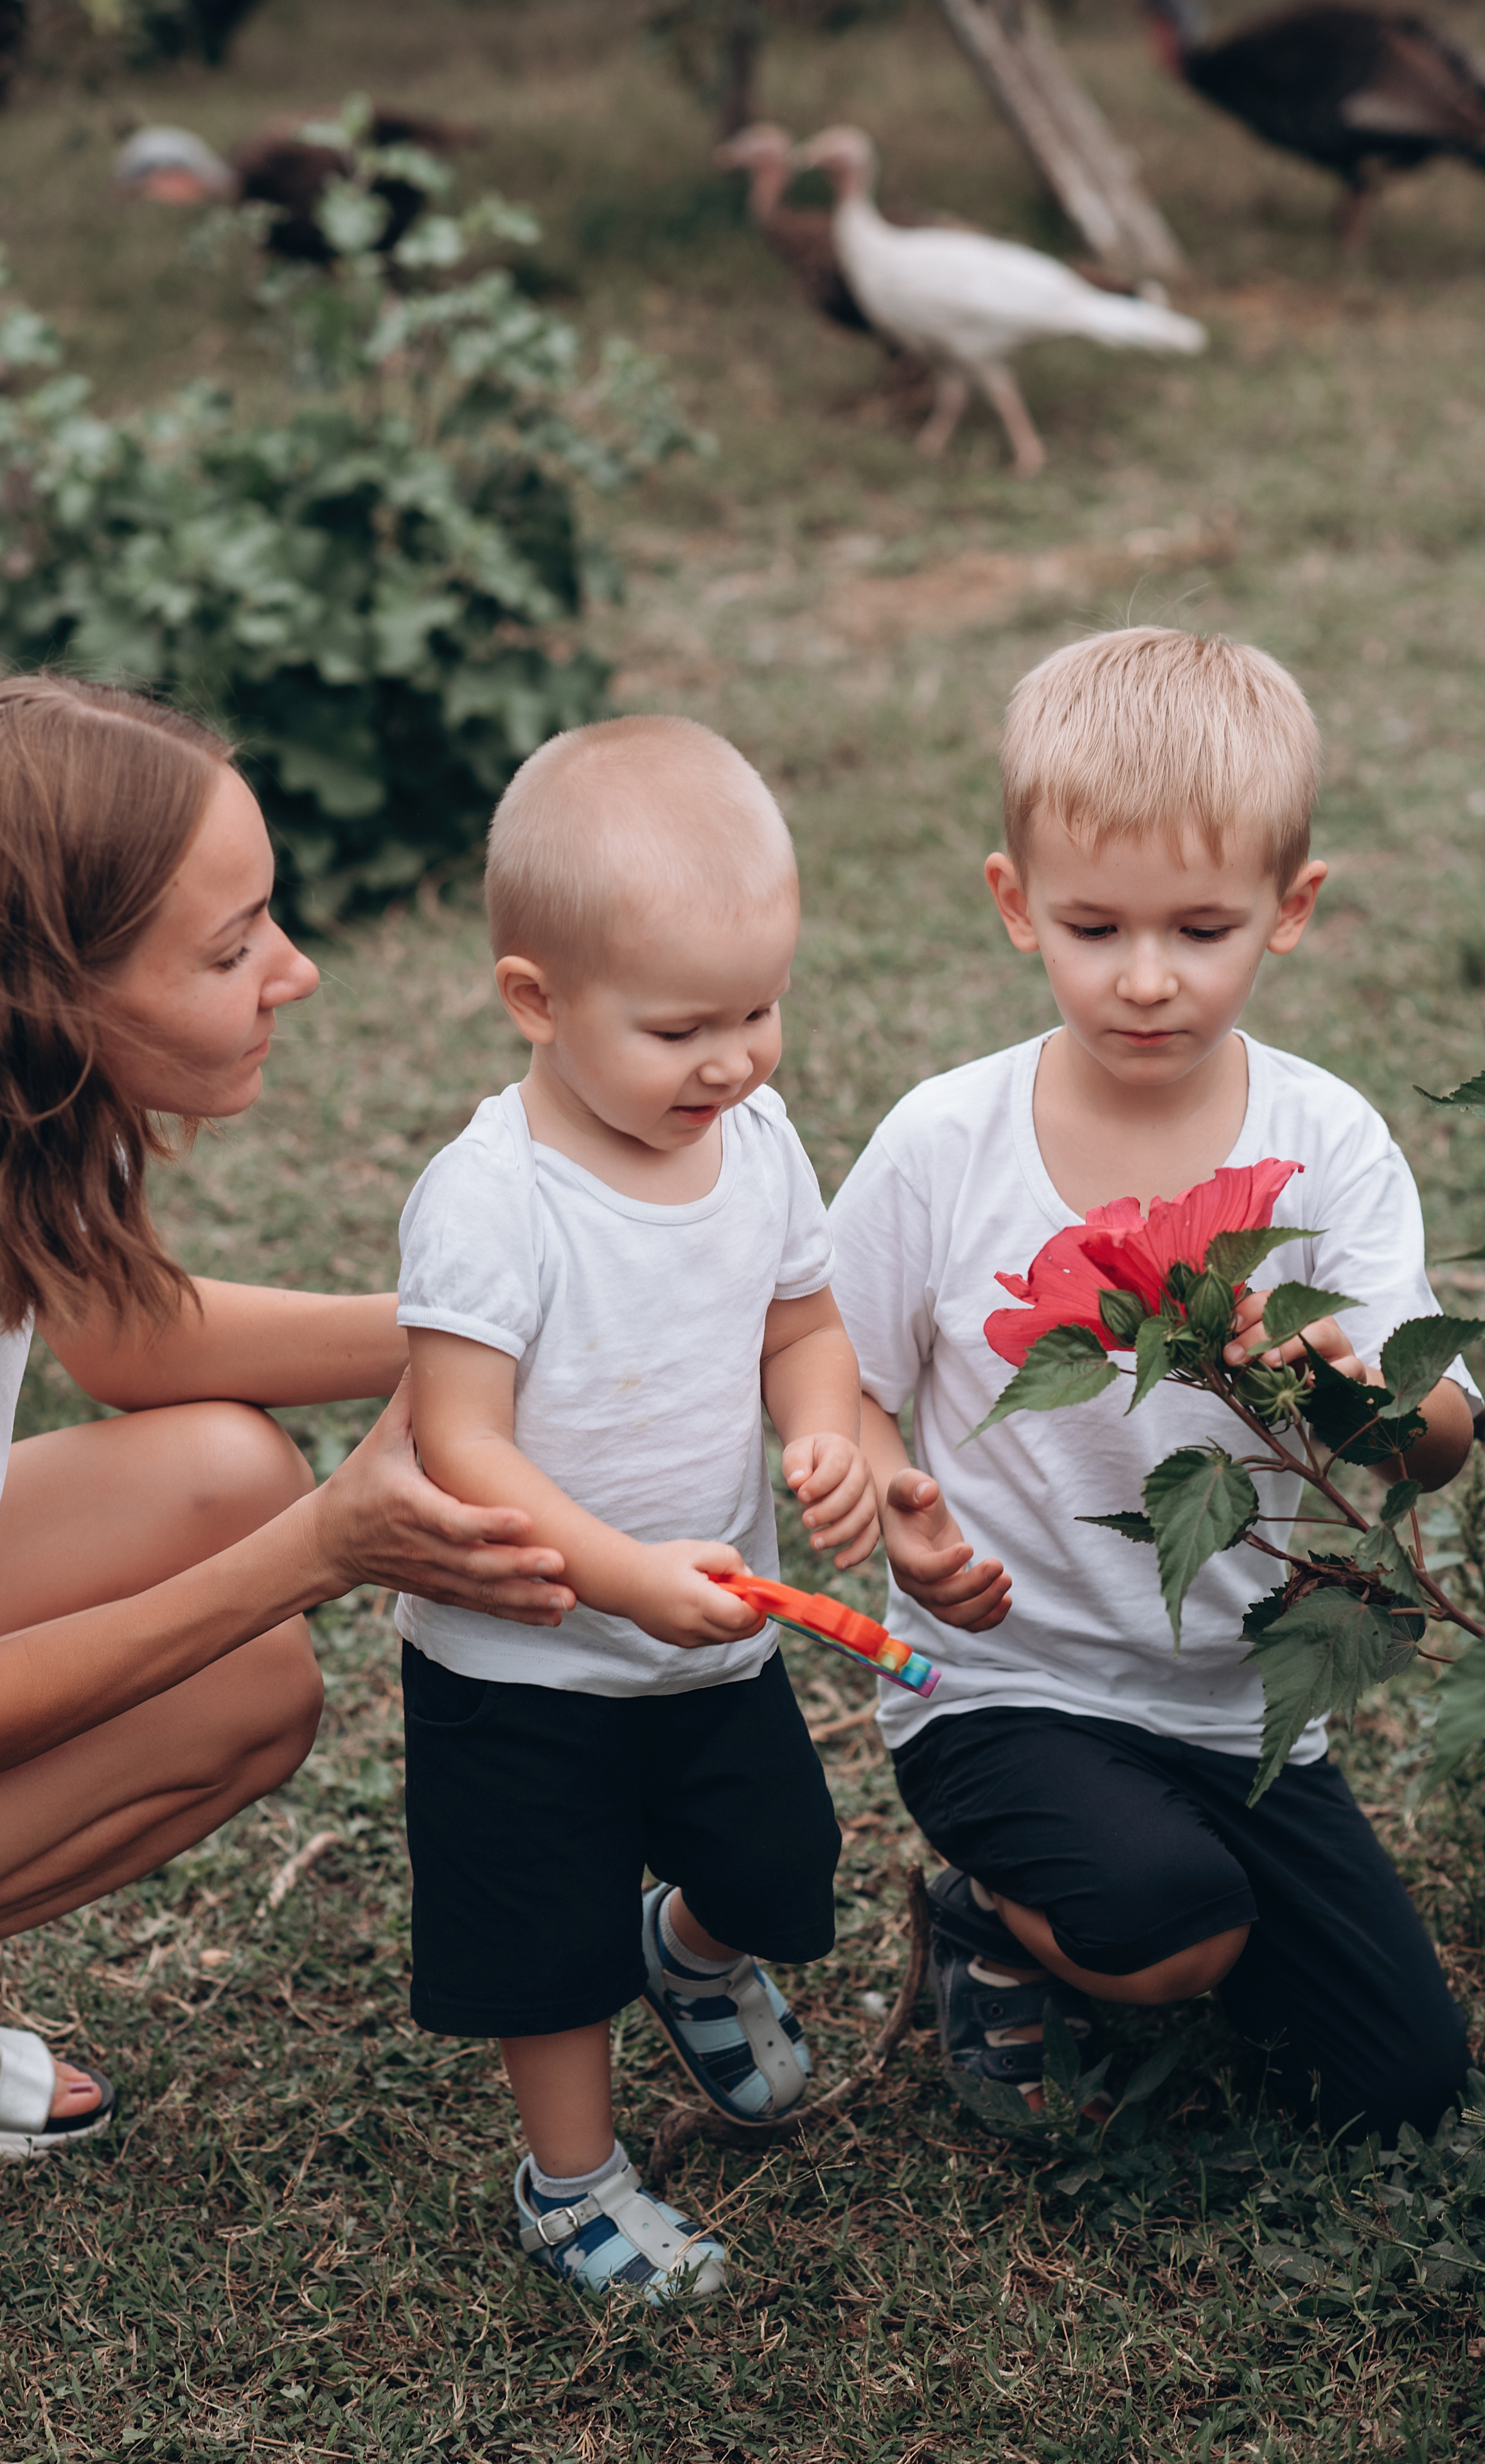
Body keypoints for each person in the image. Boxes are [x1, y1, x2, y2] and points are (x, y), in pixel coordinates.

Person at [0, 676, 576, 2307]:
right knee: (239, 1636)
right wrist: (325, 1546)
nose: (294, 971)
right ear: (46, 990)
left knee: (224, 1498)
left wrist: (490, 1323)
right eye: (232, 948)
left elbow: (126, 1339)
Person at [829, 626, 1475, 2140]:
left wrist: (1349, 1390)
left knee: (1398, 2083)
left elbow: (1437, 1445)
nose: (1141, 978)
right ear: (1014, 904)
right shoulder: (942, 1143)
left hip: (1232, 1711)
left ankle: (1158, 1905)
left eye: (1198, 929)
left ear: (1288, 909)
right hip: (1001, 1687)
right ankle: (990, 1920)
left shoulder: (1326, 1141)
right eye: (1091, 925)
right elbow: (835, 1374)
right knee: (1169, 1926)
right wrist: (893, 1500)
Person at [396, 715, 878, 2302]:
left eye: (758, 1010)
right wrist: (615, 1576)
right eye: (679, 1028)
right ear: (534, 999)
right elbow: (459, 1442)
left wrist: (821, 1433)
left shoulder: (754, 1140)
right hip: (522, 1660)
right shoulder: (492, 1201)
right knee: (549, 1951)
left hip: (711, 1639)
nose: (730, 1061)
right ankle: (572, 2183)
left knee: (779, 1865)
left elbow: (802, 1326)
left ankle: (692, 1953)